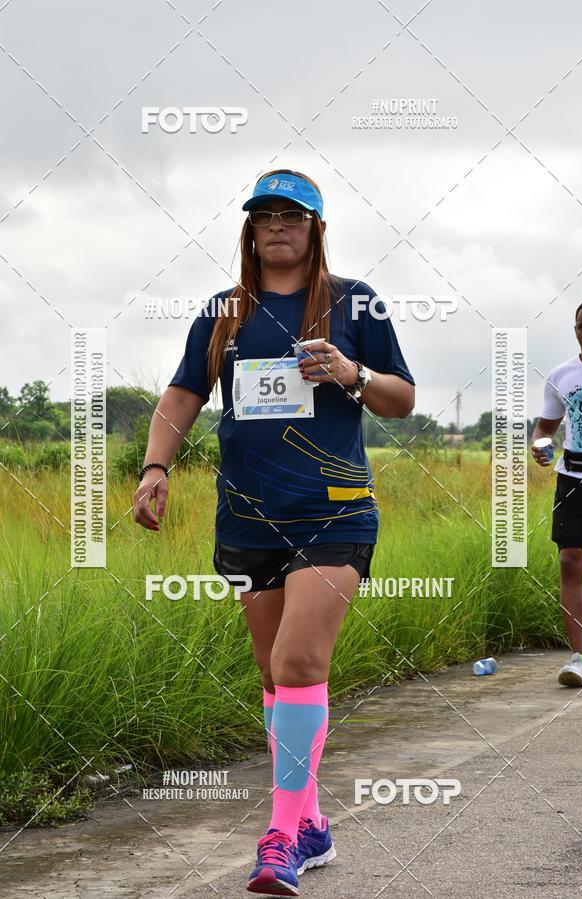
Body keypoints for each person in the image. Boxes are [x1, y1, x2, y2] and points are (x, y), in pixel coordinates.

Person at [133, 169, 415, 896]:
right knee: (276, 678)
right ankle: (312, 822)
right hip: (247, 514)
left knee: (297, 661)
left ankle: (281, 837)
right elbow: (184, 393)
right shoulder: (225, 312)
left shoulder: (355, 301)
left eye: (293, 215)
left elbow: (402, 398)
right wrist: (156, 465)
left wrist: (351, 373)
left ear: (316, 227)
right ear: (251, 229)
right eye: (266, 215)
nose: (278, 225)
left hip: (334, 510)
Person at [532, 298, 582, 689]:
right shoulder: (561, 375)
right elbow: (545, 427)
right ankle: (581, 659)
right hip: (574, 480)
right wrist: (540, 445)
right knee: (570, 564)